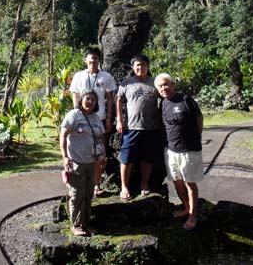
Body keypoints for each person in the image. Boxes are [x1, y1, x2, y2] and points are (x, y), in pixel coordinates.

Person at [154, 72, 203, 231]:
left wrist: (196, 136)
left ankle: (193, 215)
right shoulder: (162, 104)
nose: (164, 88)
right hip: (171, 150)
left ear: (173, 84)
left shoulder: (186, 100)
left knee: (190, 183)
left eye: (166, 84)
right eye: (160, 86)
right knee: (177, 181)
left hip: (189, 150)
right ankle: (186, 208)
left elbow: (199, 118)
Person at [69, 46, 116, 196]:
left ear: (99, 60)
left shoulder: (106, 77)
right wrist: (75, 115)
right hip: (81, 119)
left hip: (99, 119)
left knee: (98, 153)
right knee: (81, 152)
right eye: (90, 58)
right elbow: (75, 96)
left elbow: (110, 100)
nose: (93, 61)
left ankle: (96, 185)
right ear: (85, 60)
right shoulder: (78, 76)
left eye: (96, 58)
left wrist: (109, 120)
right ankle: (81, 184)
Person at [60, 89, 105, 236]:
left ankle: (86, 224)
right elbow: (63, 136)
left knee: (88, 194)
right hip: (76, 161)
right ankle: (76, 224)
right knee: (77, 194)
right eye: (87, 99)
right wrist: (65, 157)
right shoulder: (74, 115)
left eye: (93, 99)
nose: (90, 102)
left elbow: (100, 137)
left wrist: (102, 156)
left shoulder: (96, 118)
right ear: (81, 100)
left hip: (92, 162)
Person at [116, 53, 161, 200]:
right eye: (137, 65)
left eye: (143, 64)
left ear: (148, 66)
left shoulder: (155, 83)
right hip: (131, 128)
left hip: (151, 128)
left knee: (147, 159)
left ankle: (144, 184)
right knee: (126, 158)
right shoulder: (126, 83)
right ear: (133, 67)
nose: (140, 67)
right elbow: (118, 100)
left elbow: (165, 98)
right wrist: (119, 120)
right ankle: (124, 186)